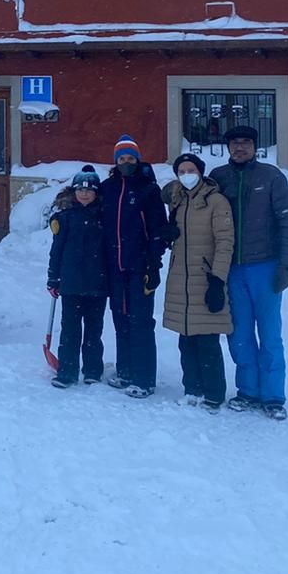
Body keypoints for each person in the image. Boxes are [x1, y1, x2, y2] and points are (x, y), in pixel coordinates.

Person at [209, 125, 288, 421]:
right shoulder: (219, 178)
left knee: (270, 333)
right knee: (239, 333)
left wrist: (286, 265)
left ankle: (273, 395)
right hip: (233, 269)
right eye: (234, 143)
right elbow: (196, 202)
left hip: (266, 266)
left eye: (246, 143)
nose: (240, 148)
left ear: (255, 147)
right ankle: (247, 390)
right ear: (228, 148)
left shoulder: (271, 177)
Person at [160, 152, 236, 410]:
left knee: (207, 341)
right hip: (181, 279)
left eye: (191, 170)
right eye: (181, 172)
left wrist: (218, 279)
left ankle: (214, 393)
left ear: (201, 172)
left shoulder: (216, 202)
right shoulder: (179, 201)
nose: (186, 176)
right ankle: (192, 389)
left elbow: (225, 243)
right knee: (186, 339)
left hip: (205, 279)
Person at [102, 135, 172, 398]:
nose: (126, 163)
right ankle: (125, 371)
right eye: (122, 159)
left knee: (140, 321)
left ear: (138, 160)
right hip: (114, 266)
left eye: (131, 158)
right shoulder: (107, 188)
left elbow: (157, 229)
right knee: (120, 319)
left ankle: (144, 379)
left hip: (140, 266)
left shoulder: (148, 190)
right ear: (116, 161)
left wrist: (153, 263)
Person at [46, 166, 110, 388]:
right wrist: (53, 278)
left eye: (89, 190)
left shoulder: (104, 217)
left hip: (98, 283)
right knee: (70, 329)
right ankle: (67, 370)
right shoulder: (65, 218)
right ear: (73, 192)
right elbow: (57, 250)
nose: (84, 194)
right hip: (71, 283)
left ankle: (92, 369)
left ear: (96, 194)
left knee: (94, 330)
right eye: (80, 190)